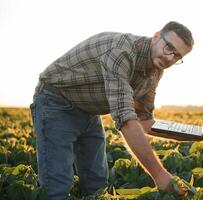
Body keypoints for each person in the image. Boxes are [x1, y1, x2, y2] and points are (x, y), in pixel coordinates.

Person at [30, 21, 194, 199]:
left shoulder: (155, 69)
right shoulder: (121, 51)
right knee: (57, 186)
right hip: (55, 102)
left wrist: (188, 134)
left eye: (177, 56)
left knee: (97, 184)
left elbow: (144, 120)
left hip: (89, 111)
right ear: (156, 37)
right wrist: (160, 176)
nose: (170, 58)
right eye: (169, 47)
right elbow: (126, 120)